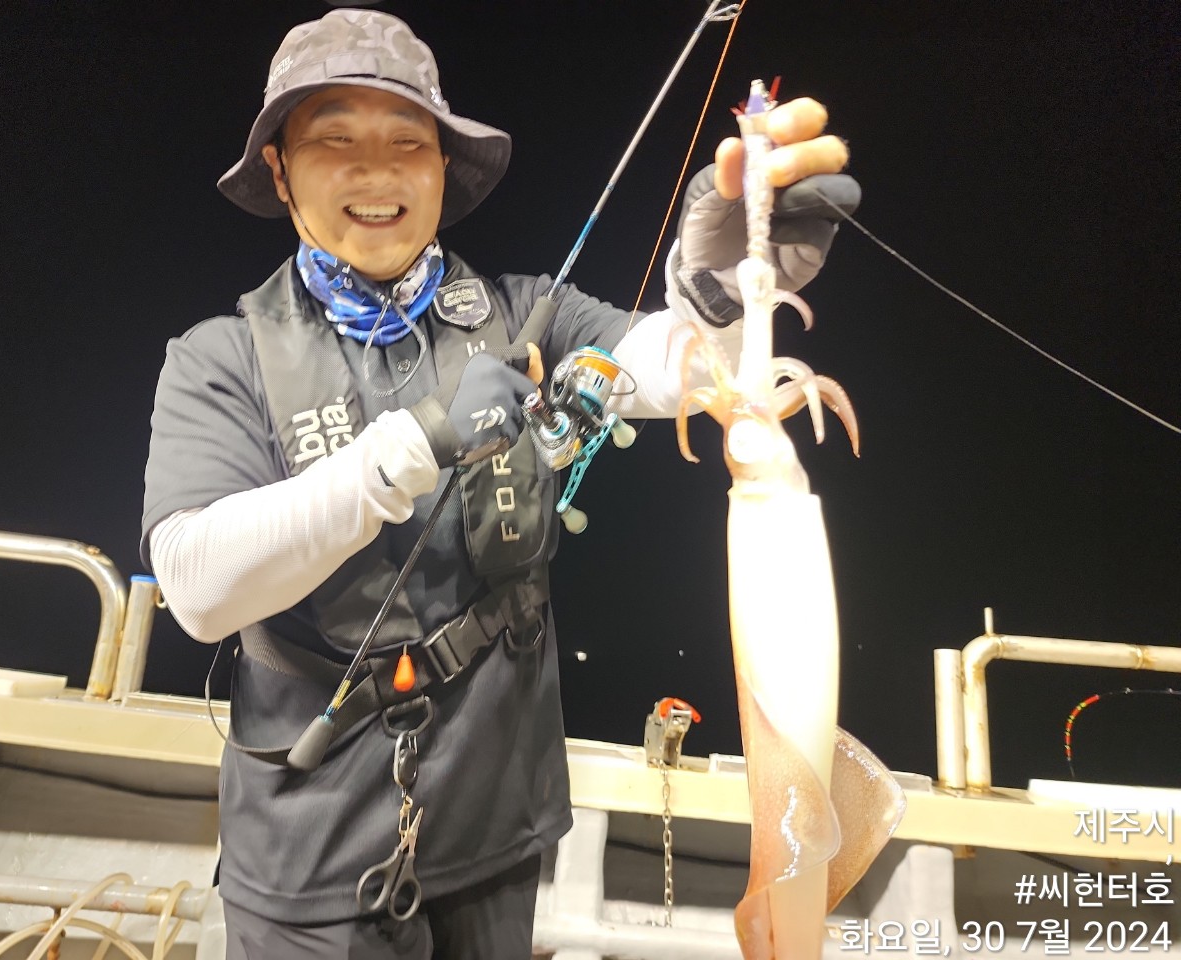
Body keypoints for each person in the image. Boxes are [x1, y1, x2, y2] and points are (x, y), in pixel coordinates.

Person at [141, 8, 856, 959]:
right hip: (307, 850)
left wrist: (726, 293)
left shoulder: (527, 316)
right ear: (278, 170)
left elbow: (681, 371)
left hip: (497, 828)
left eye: (409, 143)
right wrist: (418, 441)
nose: (378, 173)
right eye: (335, 143)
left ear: (444, 166)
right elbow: (197, 588)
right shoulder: (219, 359)